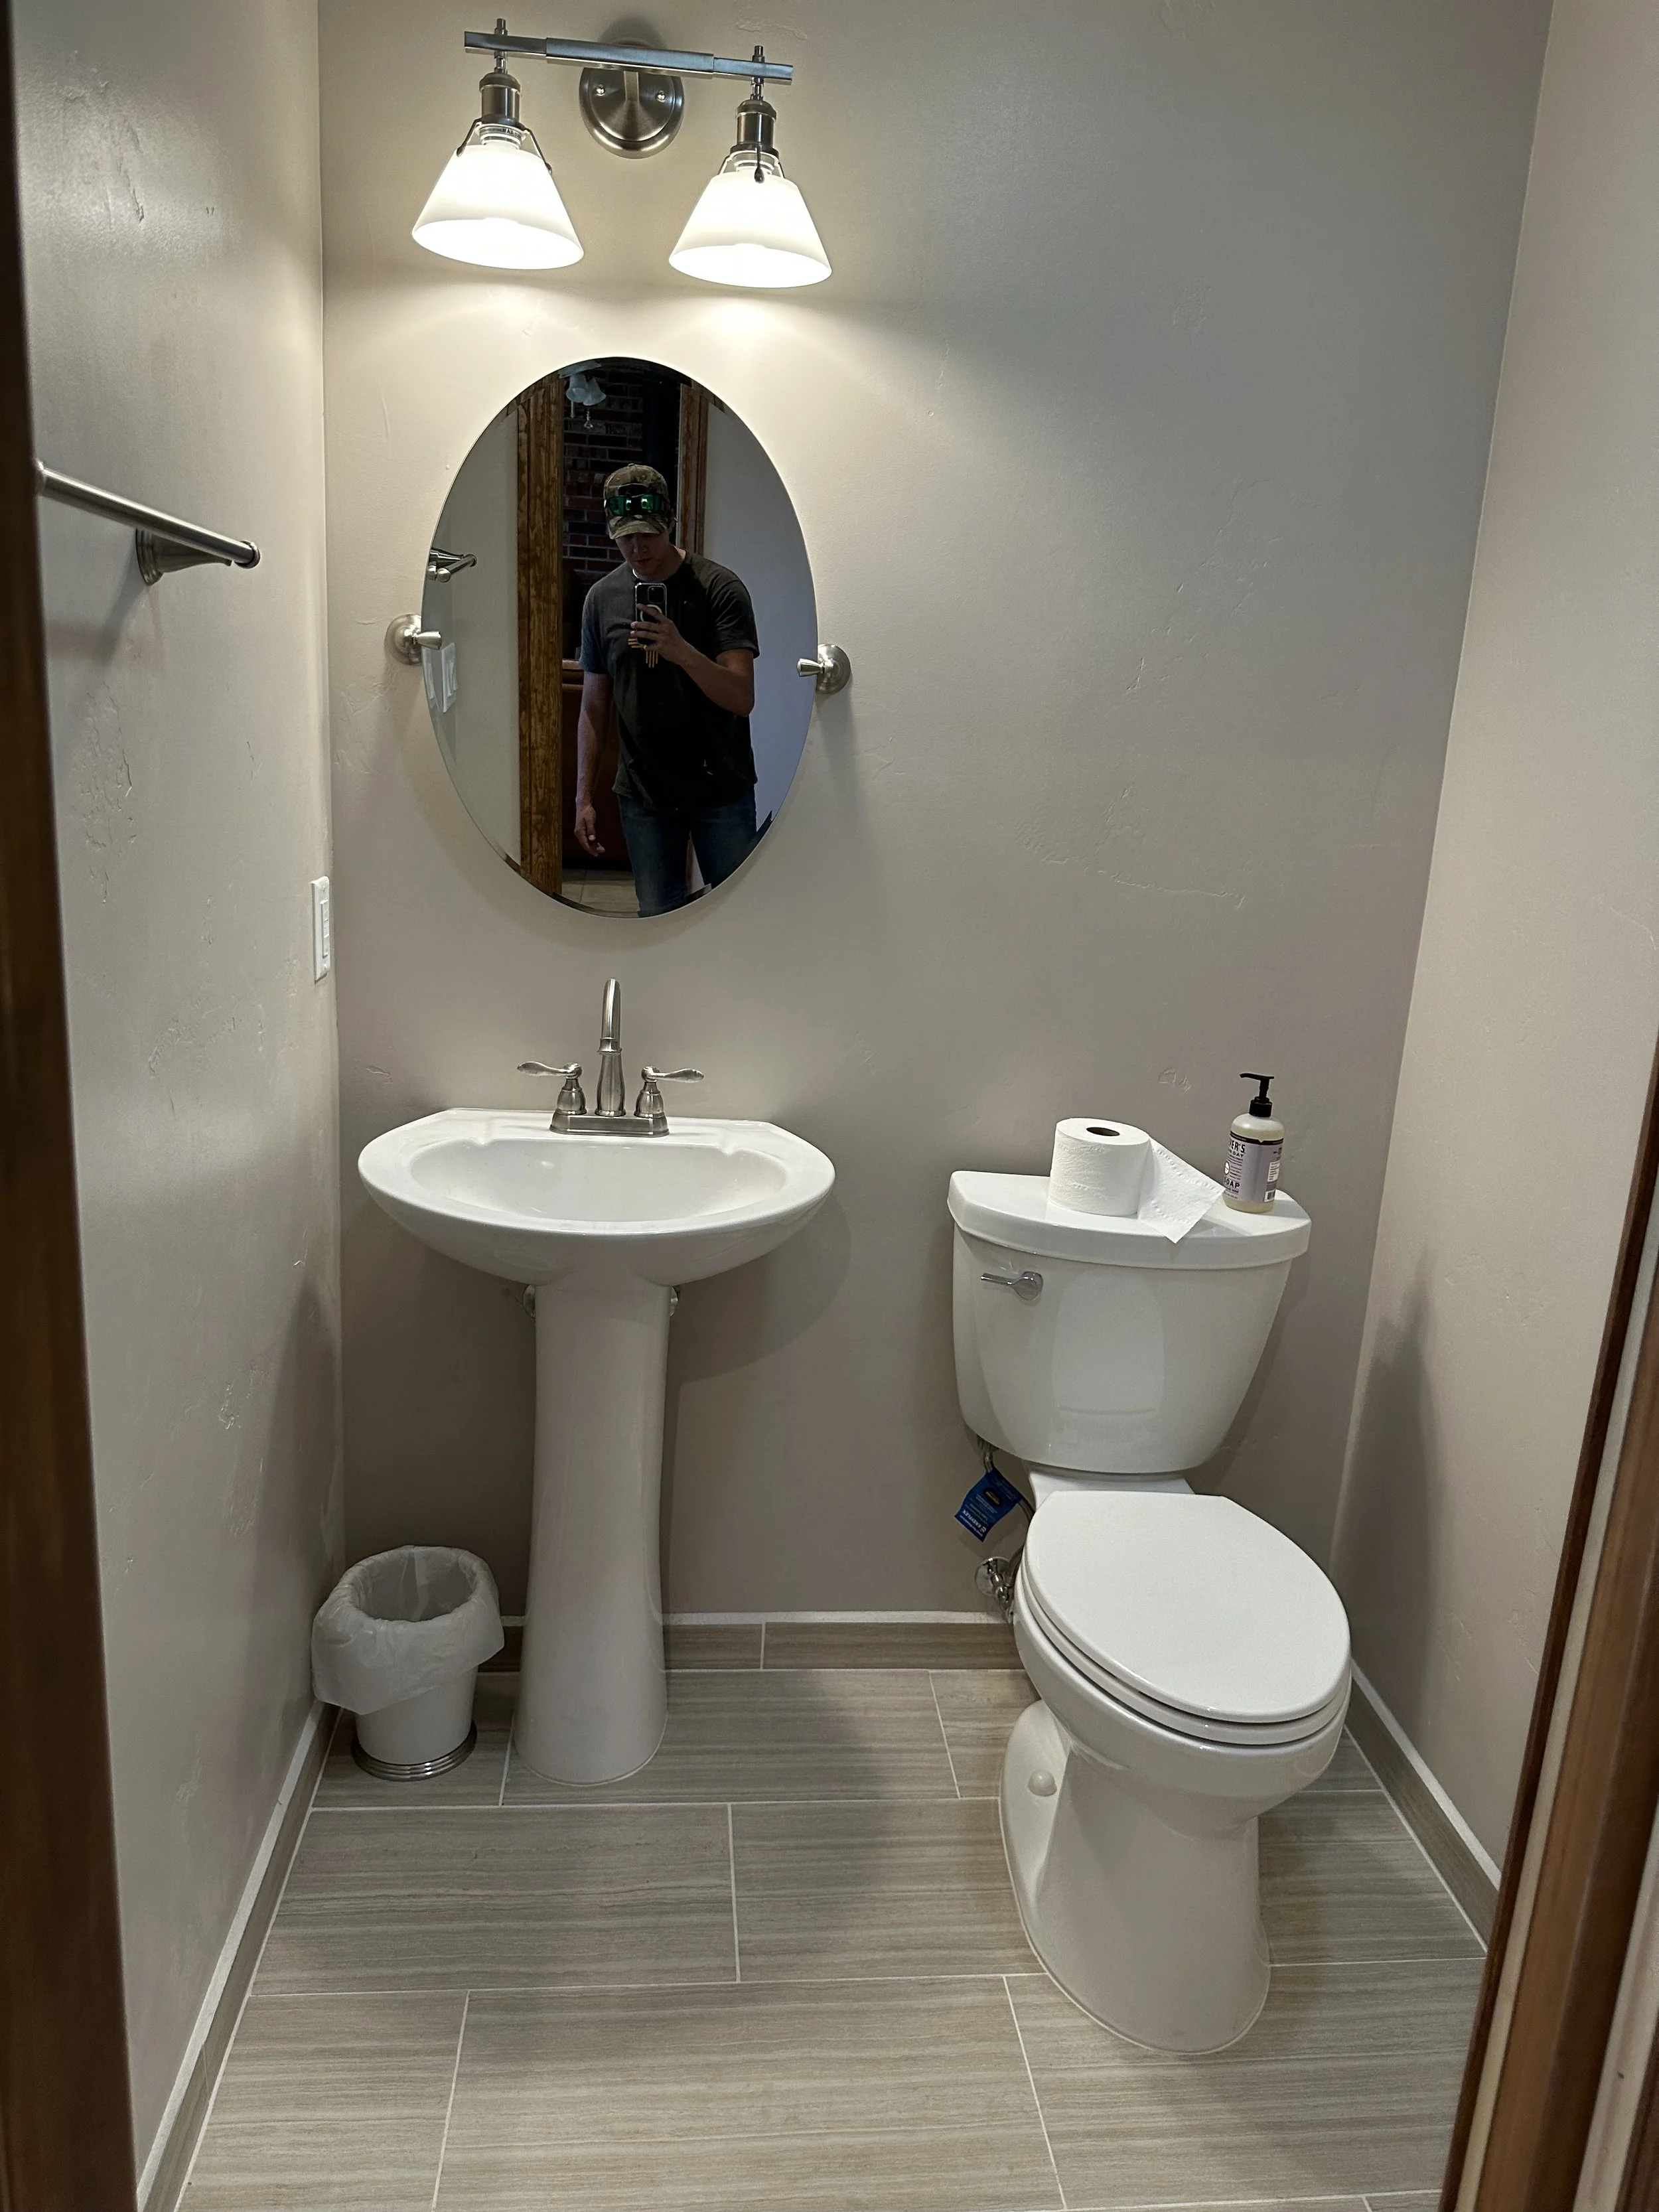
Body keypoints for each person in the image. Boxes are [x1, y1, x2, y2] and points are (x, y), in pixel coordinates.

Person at [574, 463, 760, 917]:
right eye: (625, 536)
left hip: (720, 788)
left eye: (649, 535)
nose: (637, 548)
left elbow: (742, 697)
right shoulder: (601, 599)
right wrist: (583, 797)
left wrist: (682, 651)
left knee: (736, 915)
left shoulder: (719, 588)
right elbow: (594, 706)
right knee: (656, 917)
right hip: (644, 795)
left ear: (671, 521)